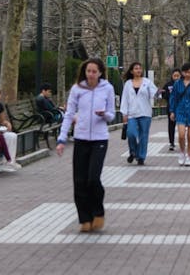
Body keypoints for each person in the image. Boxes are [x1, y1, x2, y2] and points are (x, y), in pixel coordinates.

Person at [56, 58, 116, 233]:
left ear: (100, 73)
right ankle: (84, 218)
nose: (91, 75)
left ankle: (98, 212)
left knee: (93, 179)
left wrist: (104, 114)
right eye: (88, 71)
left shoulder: (107, 88)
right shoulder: (77, 89)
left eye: (94, 72)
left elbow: (112, 115)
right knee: (80, 181)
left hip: (99, 139)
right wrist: (61, 139)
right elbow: (69, 114)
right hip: (81, 138)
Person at [121, 61, 157, 165]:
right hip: (132, 114)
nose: (138, 70)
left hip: (145, 113)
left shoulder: (147, 82)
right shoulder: (128, 84)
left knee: (143, 136)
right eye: (136, 68)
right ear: (132, 71)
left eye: (140, 68)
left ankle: (141, 157)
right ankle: (133, 151)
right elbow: (124, 99)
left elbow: (154, 93)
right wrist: (124, 114)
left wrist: (158, 93)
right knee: (131, 133)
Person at [160, 69, 182, 151]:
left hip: (181, 108)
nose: (176, 77)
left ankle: (182, 140)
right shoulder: (168, 85)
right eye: (174, 76)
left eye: (178, 76)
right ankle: (171, 142)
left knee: (181, 125)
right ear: (172, 76)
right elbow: (163, 94)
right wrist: (168, 95)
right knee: (171, 125)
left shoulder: (183, 84)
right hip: (171, 108)